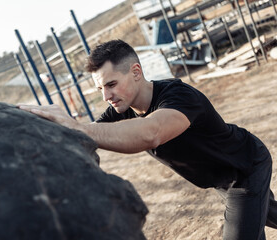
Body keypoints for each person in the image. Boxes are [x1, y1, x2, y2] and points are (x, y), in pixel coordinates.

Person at [18, 39, 277, 239]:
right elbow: (89, 132)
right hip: (219, 176)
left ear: (136, 72)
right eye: (100, 89)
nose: (106, 95)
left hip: (245, 168)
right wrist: (51, 128)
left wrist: (80, 128)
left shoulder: (179, 96)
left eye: (111, 84)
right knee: (267, 214)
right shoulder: (120, 108)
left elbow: (151, 133)